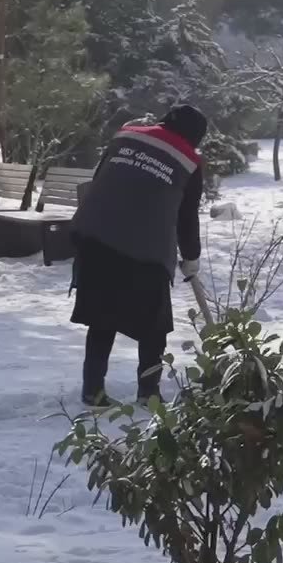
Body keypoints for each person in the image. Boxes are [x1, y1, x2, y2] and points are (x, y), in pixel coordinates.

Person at [69, 104, 207, 408]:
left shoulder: (126, 136)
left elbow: (101, 179)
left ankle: (93, 390)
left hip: (94, 235)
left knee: (101, 317)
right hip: (145, 247)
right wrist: (191, 257)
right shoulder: (189, 160)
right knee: (154, 326)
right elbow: (187, 217)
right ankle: (148, 393)